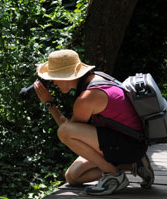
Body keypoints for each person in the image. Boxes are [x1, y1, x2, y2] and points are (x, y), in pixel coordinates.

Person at [33, 49, 154, 196]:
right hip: (128, 141)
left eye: (54, 77)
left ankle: (114, 175)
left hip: (130, 144)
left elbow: (67, 130)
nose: (53, 82)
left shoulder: (88, 97)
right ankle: (133, 164)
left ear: (66, 76)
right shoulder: (96, 78)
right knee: (73, 177)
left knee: (64, 132)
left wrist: (49, 104)